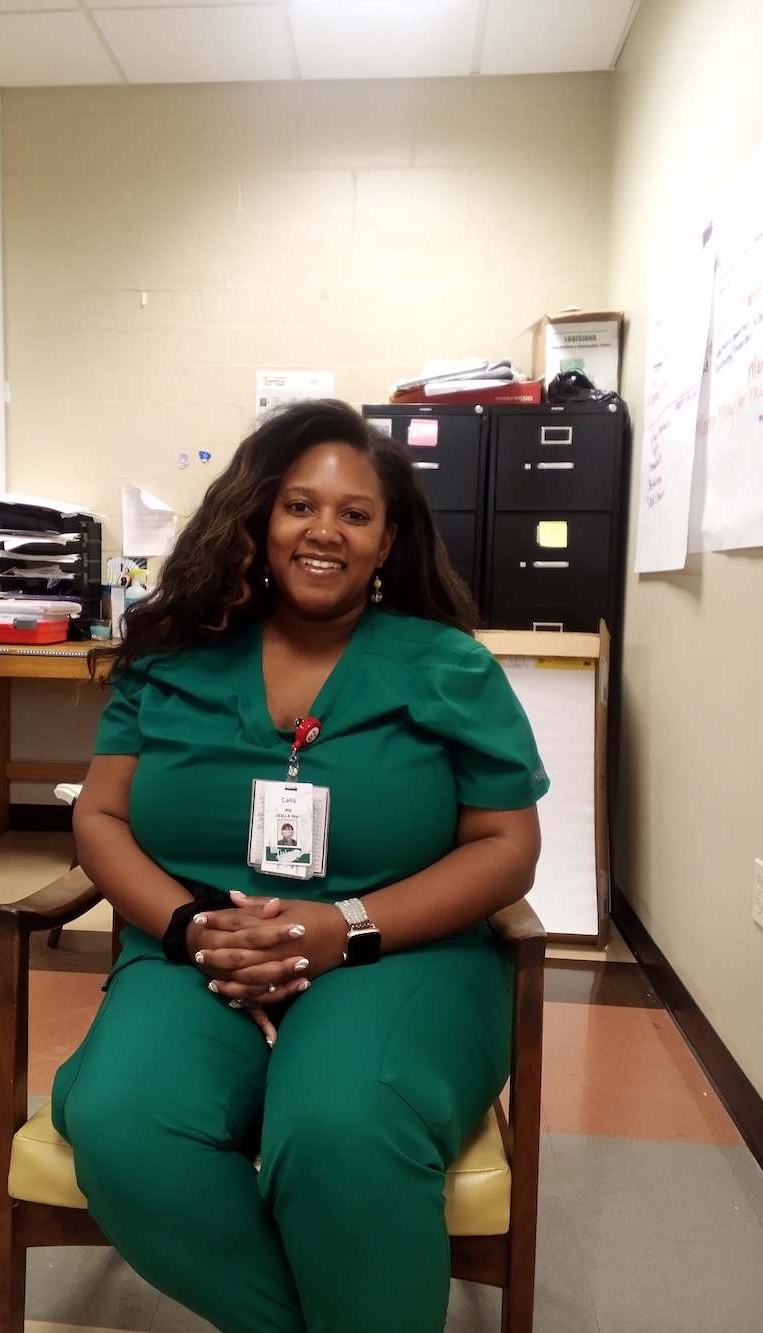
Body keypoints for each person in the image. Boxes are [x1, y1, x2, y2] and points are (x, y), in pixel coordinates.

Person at [52, 398, 549, 1333]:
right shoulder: (172, 657)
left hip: (401, 954)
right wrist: (188, 924)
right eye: (299, 506)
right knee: (123, 1122)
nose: (325, 530)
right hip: (198, 950)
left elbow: (506, 845)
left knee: (343, 1125)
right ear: (259, 518)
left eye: (355, 513)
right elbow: (103, 818)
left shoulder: (446, 665)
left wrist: (343, 926)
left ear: (388, 537)